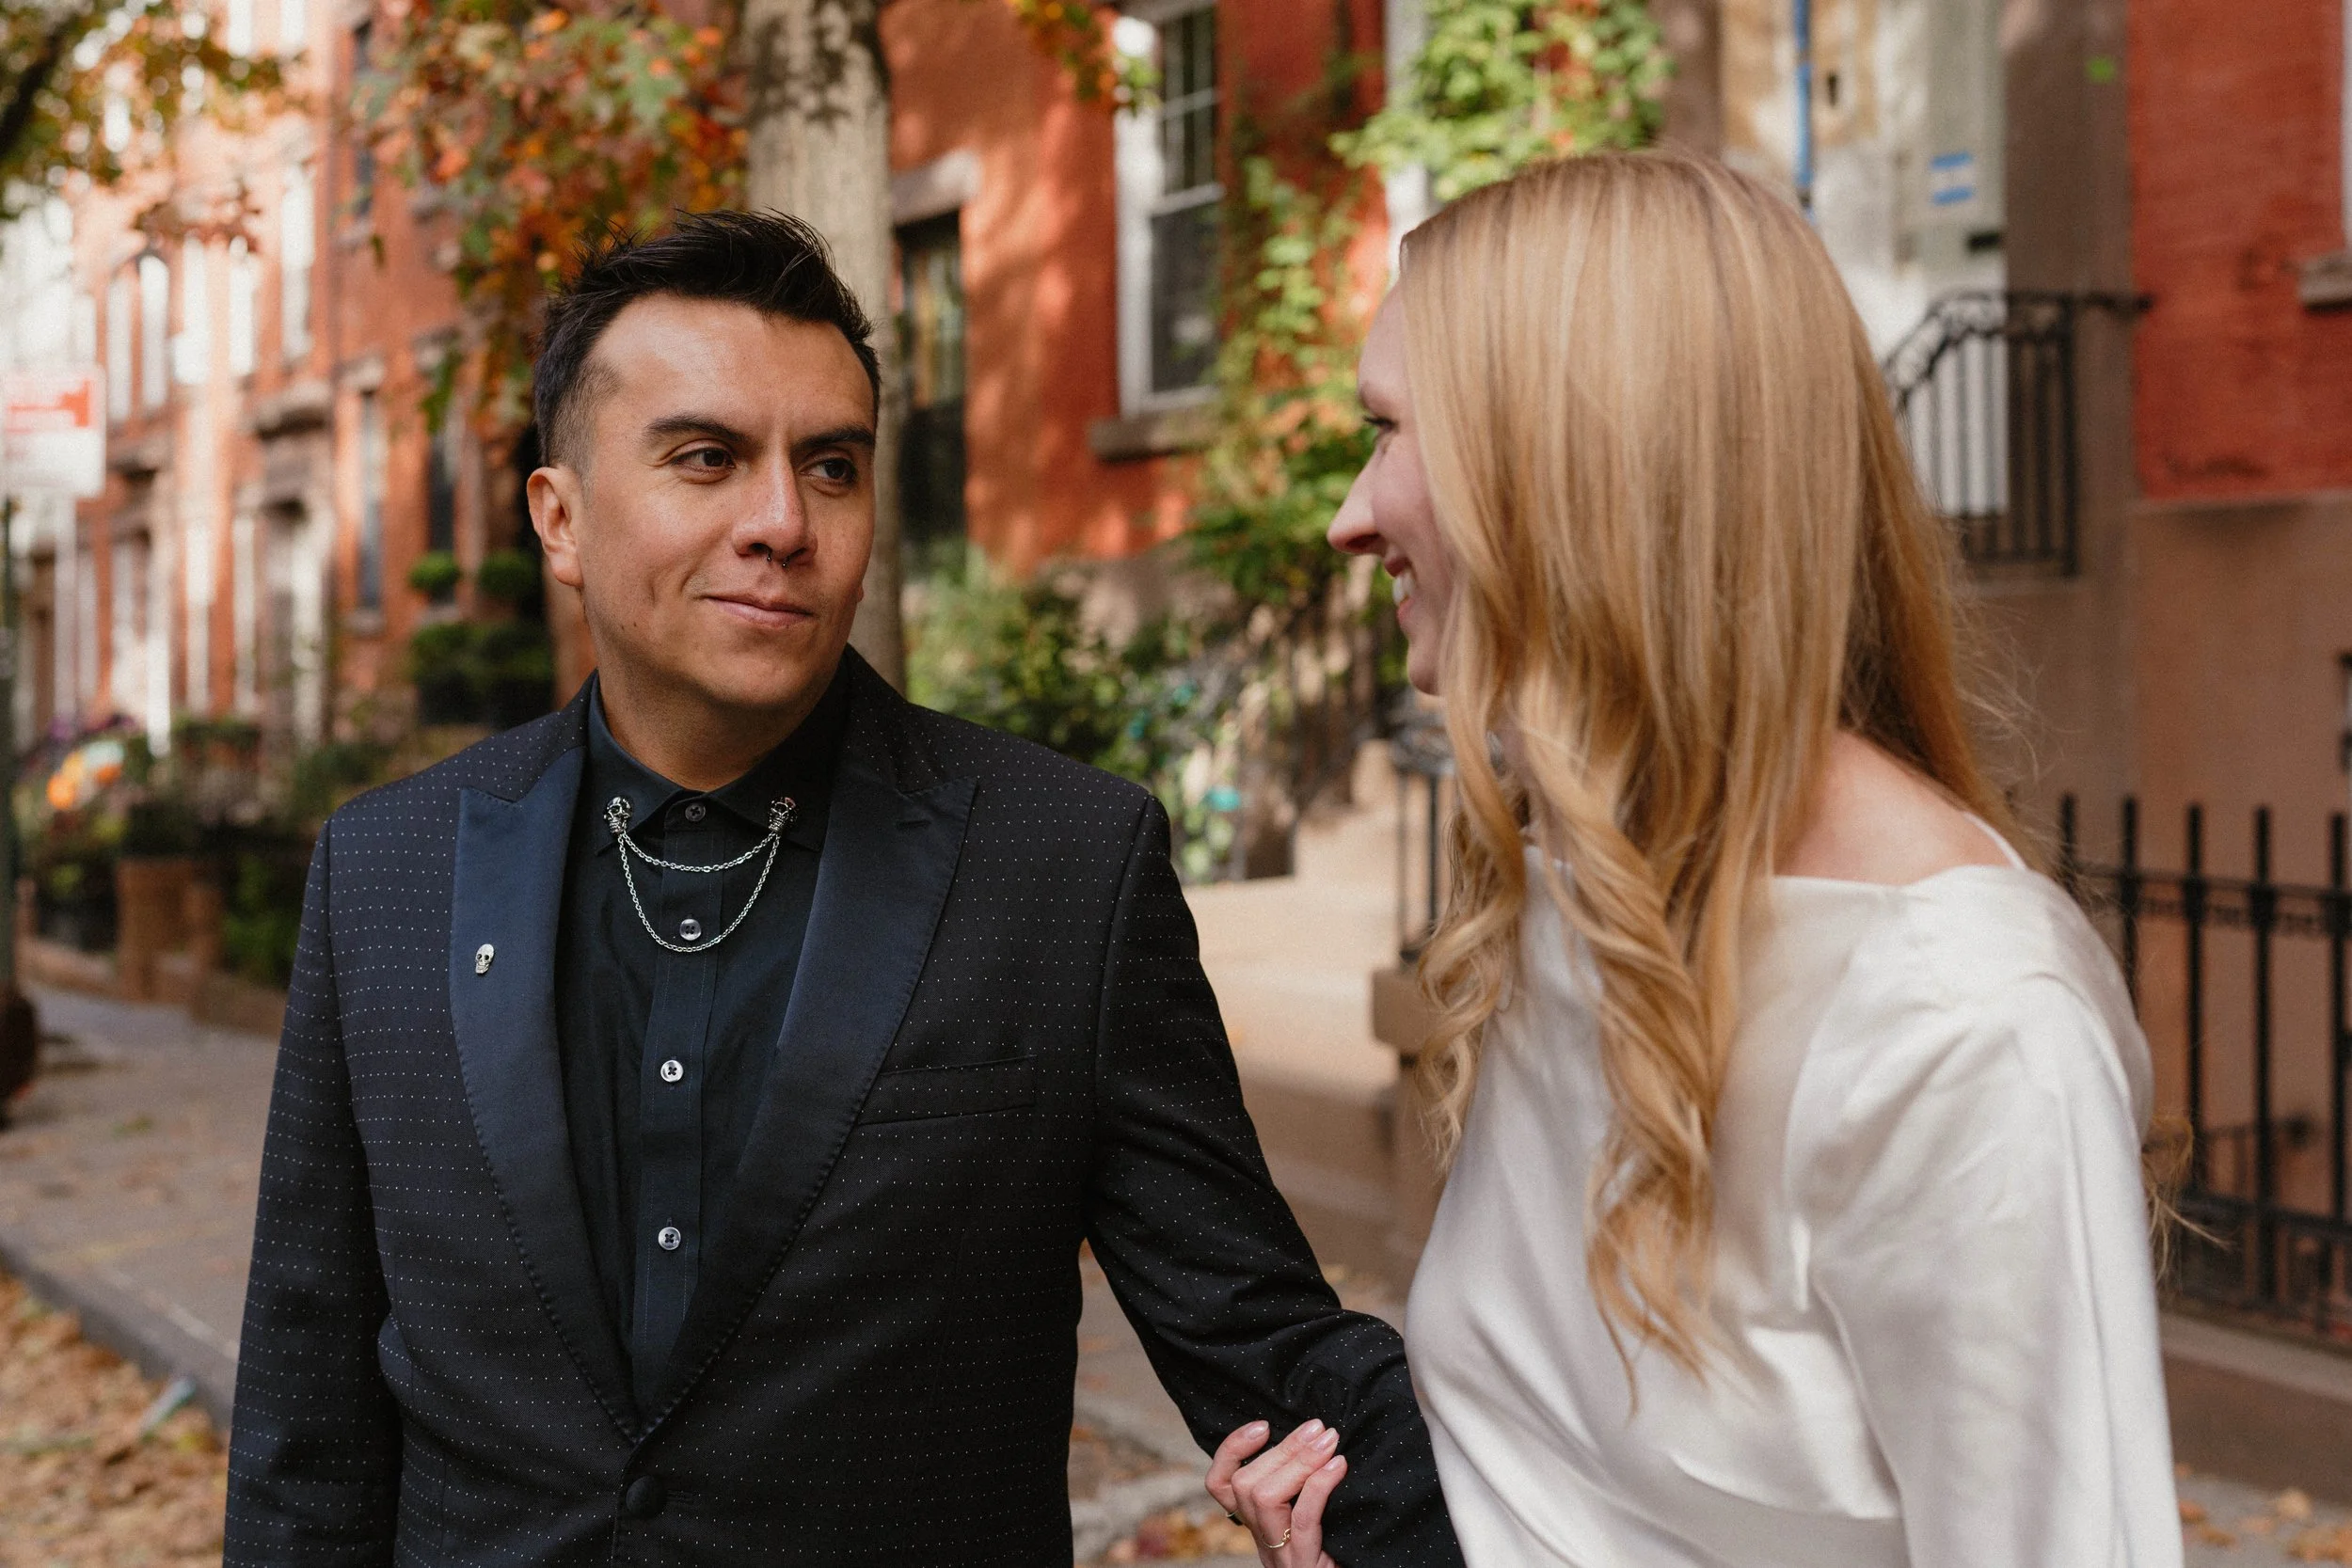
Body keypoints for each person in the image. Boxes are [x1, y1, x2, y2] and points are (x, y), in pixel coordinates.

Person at [223, 211, 1460, 1567]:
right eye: (706, 459)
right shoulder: (387, 871)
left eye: (832, 467)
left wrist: (1562, 1500)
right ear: (559, 519)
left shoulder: (1060, 867)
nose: (782, 524)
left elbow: (1264, 1343)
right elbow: (306, 1426)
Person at [1213, 151, 2182, 1566]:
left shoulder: (1967, 1026)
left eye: (1391, 433)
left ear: (1573, 476)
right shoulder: (1590, 873)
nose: (1349, 518)